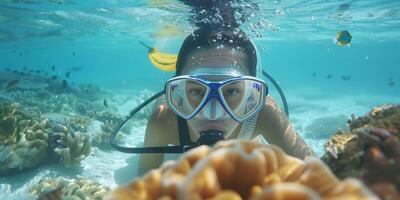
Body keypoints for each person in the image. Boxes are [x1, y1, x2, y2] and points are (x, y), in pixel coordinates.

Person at [136, 25, 315, 175]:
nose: (212, 114)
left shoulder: (264, 113)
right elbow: (146, 179)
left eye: (231, 91)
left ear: (252, 95)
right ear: (178, 94)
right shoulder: (164, 119)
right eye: (197, 91)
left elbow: (318, 174)